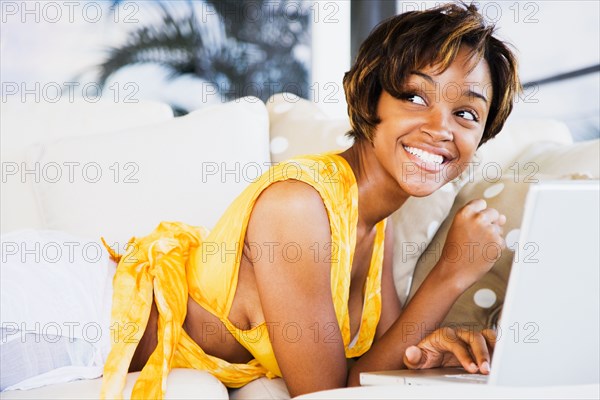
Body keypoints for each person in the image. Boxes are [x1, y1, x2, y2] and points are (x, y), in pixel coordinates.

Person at [0, 2, 520, 398]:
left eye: (466, 114)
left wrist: (435, 345)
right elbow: (322, 394)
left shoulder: (373, 223)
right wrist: (450, 273)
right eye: (414, 96)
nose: (439, 128)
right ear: (371, 99)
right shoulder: (299, 206)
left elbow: (367, 377)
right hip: (62, 307)